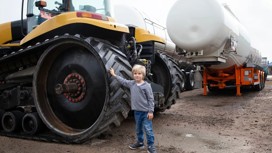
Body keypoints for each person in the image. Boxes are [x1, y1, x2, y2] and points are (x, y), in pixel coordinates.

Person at [109, 65, 157, 153]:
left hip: (146, 112)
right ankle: (140, 142)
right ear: (133, 74)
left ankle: (151, 145)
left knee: (148, 129)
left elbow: (151, 99)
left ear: (143, 75)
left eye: (139, 73)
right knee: (138, 129)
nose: (137, 75)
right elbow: (123, 81)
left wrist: (151, 111)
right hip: (137, 112)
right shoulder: (132, 83)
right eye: (135, 73)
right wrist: (114, 75)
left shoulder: (146, 86)